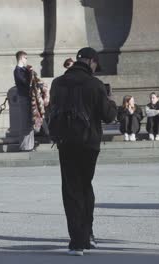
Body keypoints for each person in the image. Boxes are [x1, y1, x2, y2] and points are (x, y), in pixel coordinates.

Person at [50, 47, 117, 256]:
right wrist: (111, 101)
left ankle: (77, 241)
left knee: (71, 190)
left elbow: (52, 110)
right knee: (85, 186)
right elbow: (108, 116)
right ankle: (87, 235)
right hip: (89, 143)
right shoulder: (95, 84)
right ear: (91, 62)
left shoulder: (57, 83)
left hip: (65, 142)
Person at [14, 50, 35, 151]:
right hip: (24, 98)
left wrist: (31, 71)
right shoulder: (18, 70)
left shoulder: (24, 70)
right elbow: (26, 82)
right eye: (26, 58)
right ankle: (24, 146)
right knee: (25, 122)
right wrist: (30, 73)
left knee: (30, 122)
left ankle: (30, 145)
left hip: (29, 97)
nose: (27, 60)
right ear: (21, 58)